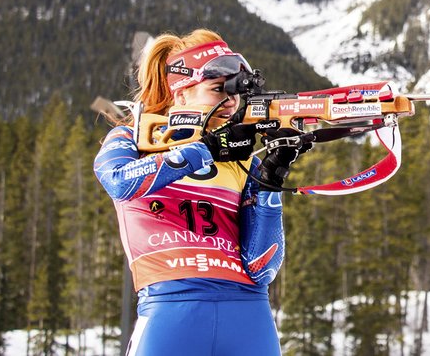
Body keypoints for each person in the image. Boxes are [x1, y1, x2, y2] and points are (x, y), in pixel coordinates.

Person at [94, 29, 306, 356]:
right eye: (218, 89)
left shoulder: (242, 157)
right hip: (169, 309)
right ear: (181, 95)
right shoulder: (133, 139)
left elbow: (262, 267)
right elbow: (120, 182)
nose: (231, 99)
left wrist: (271, 176)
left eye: (236, 90)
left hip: (249, 314)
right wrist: (205, 149)